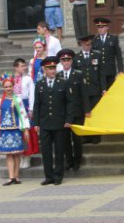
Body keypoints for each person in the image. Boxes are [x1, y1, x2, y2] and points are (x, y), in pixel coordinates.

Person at [33, 56, 72, 186]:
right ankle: (48, 176)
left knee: (59, 150)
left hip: (59, 122)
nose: (52, 71)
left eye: (54, 68)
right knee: (46, 151)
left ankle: (58, 176)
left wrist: (68, 119)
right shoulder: (39, 84)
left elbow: (69, 103)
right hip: (45, 123)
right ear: (44, 69)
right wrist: (36, 123)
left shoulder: (63, 83)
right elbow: (37, 104)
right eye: (49, 68)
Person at [0, 72, 30, 186]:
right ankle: (11, 176)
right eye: (6, 87)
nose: (8, 89)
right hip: (5, 130)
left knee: (16, 153)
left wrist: (26, 129)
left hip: (16, 129)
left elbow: (23, 114)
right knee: (8, 154)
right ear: (3, 88)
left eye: (10, 86)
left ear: (13, 86)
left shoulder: (18, 100)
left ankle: (16, 176)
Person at [56, 49, 91, 172]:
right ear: (60, 62)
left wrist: (87, 110)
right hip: (63, 114)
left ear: (72, 61)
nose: (66, 62)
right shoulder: (58, 75)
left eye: (68, 60)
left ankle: (77, 161)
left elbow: (84, 94)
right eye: (63, 60)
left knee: (76, 139)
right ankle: (68, 161)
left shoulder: (78, 74)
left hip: (77, 112)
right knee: (65, 139)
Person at [73, 34, 106, 144]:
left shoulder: (97, 55)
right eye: (86, 44)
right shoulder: (76, 58)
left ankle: (96, 136)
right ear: (82, 44)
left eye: (90, 44)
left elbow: (101, 73)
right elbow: (75, 76)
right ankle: (86, 135)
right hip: (83, 91)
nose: (88, 46)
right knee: (84, 113)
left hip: (95, 89)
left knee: (95, 113)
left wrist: (104, 88)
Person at [12, 58, 38, 169]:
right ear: (16, 67)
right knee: (18, 131)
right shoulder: (11, 79)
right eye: (21, 66)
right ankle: (21, 154)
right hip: (15, 106)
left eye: (24, 66)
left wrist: (31, 109)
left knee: (27, 130)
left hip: (25, 105)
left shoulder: (28, 79)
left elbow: (32, 94)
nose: (24, 68)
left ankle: (28, 156)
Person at [92, 17, 124, 89]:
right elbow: (93, 57)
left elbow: (118, 56)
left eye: (102, 27)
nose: (100, 29)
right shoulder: (95, 40)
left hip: (110, 70)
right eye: (98, 27)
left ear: (107, 27)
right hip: (99, 71)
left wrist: (120, 70)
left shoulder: (113, 39)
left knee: (111, 89)